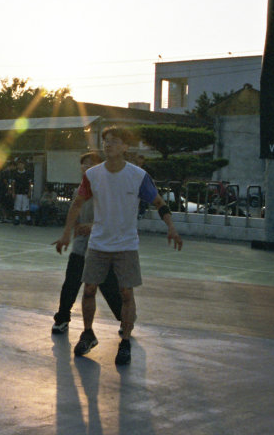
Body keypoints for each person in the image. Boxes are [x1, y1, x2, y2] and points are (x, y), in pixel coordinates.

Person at [53, 126, 183, 366]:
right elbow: (76, 205)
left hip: (126, 245)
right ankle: (88, 333)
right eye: (106, 142)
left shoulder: (137, 176)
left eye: (114, 141)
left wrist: (171, 228)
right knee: (89, 289)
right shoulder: (93, 175)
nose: (108, 145)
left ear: (125, 147)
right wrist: (65, 235)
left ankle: (125, 341)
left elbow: (158, 201)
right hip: (99, 244)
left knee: (126, 293)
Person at [51, 152, 122, 334]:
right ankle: (62, 318)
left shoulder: (108, 190)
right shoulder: (79, 190)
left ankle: (124, 318)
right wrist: (67, 234)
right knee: (71, 283)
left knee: (108, 285)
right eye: (84, 164)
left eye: (91, 164)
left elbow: (114, 218)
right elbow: (74, 214)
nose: (86, 167)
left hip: (101, 247)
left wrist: (92, 226)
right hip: (81, 246)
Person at [12, 158, 32, 225]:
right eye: (19, 164)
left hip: (25, 192)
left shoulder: (27, 173)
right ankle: (17, 219)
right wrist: (13, 192)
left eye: (21, 164)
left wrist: (29, 192)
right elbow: (13, 184)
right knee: (17, 206)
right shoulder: (15, 173)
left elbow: (30, 184)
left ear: (24, 165)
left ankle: (28, 219)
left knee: (26, 207)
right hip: (18, 192)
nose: (20, 166)